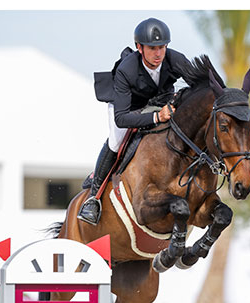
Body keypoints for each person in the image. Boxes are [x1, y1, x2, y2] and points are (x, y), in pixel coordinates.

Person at [78, 17, 191, 225]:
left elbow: (199, 82)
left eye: (162, 47)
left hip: (160, 102)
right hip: (128, 108)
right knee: (116, 142)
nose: (158, 54)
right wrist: (156, 117)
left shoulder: (175, 59)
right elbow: (121, 118)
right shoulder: (126, 69)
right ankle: (93, 199)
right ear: (139, 47)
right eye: (152, 48)